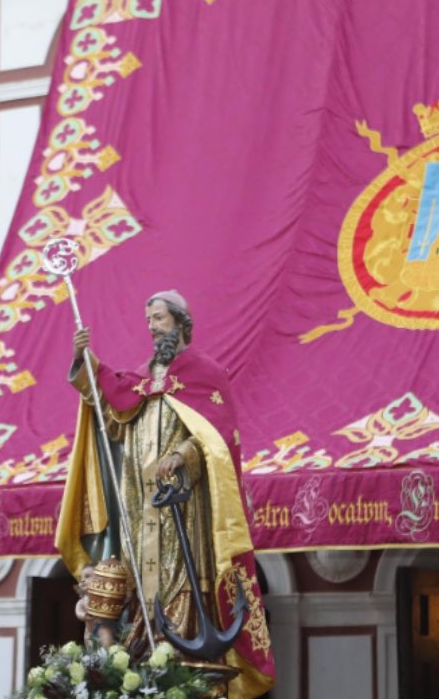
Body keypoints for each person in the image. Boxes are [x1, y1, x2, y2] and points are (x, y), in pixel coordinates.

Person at [56, 290, 275, 699]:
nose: (153, 327)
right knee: (143, 590)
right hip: (143, 514)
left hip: (184, 515)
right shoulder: (140, 380)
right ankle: (144, 666)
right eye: (149, 320)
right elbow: (113, 424)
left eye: (159, 318)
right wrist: (85, 365)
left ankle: (179, 670)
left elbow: (219, 441)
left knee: (181, 586)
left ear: (180, 322)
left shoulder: (205, 375)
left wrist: (181, 456)